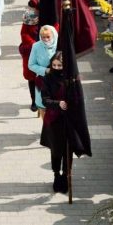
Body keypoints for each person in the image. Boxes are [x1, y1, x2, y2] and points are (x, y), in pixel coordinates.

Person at [40, 52, 70, 193]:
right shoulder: (47, 79)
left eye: (60, 65)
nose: (57, 68)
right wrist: (59, 103)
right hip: (54, 120)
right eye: (54, 65)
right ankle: (57, 175)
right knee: (56, 151)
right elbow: (45, 100)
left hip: (68, 121)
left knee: (68, 150)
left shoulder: (70, 79)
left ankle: (66, 175)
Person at [28, 25, 58, 118]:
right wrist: (45, 70)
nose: (45, 39)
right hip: (42, 80)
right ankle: (46, 128)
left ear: (53, 35)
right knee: (42, 106)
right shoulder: (36, 46)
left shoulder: (60, 44)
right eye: (43, 37)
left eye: (48, 36)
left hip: (57, 80)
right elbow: (31, 65)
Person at [19, 0, 40, 112]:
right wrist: (34, 45)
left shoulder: (46, 17)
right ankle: (34, 100)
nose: (29, 10)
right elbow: (24, 34)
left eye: (32, 8)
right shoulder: (27, 18)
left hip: (44, 50)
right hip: (30, 51)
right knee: (31, 77)